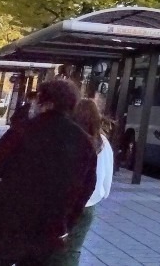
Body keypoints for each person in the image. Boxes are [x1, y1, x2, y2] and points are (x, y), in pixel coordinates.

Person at [0, 79, 96, 266]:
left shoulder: (21, 131)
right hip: (50, 228)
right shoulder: (84, 141)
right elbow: (86, 189)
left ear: (44, 101)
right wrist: (66, 222)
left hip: (9, 220)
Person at [46, 98, 114, 266]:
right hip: (88, 206)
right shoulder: (103, 142)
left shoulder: (67, 137)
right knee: (72, 250)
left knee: (50, 248)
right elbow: (106, 179)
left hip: (61, 203)